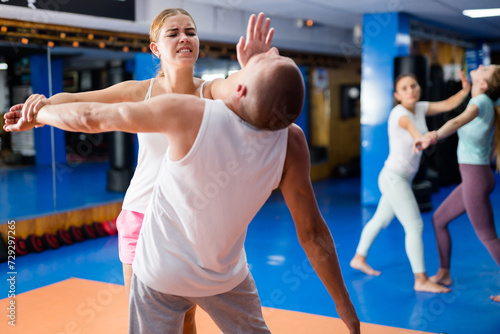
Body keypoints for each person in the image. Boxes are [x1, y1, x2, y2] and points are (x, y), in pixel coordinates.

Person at [4, 48, 361, 334]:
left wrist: (39, 116)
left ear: (237, 87)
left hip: (160, 275)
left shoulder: (190, 112)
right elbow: (313, 235)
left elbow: (93, 118)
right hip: (226, 278)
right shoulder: (292, 142)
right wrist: (344, 306)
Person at [14, 9, 275, 332]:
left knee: (187, 317)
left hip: (191, 224)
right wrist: (42, 104)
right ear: (155, 48)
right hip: (141, 216)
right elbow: (81, 100)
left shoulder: (211, 91)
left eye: (190, 32)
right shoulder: (142, 91)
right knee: (148, 321)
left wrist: (254, 67)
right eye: (173, 33)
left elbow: (241, 89)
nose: (184, 38)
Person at [350, 71, 471, 293]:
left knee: (380, 219)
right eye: (405, 88)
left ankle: (359, 257)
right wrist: (421, 138)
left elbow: (447, 104)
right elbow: (412, 130)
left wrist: (464, 91)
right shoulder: (399, 114)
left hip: (400, 177)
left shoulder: (421, 107)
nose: (411, 90)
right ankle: (421, 279)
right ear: (397, 95)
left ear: (419, 88)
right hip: (394, 178)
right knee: (414, 225)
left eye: (414, 85)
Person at [413, 64, 500, 302]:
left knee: (487, 236)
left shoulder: (481, 102)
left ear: (483, 84)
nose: (481, 65)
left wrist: (434, 135)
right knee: (439, 220)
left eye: (486, 68)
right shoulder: (485, 101)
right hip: (475, 177)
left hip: (476, 178)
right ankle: (444, 273)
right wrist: (465, 90)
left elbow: (458, 121)